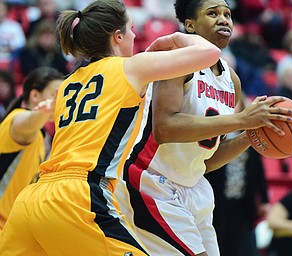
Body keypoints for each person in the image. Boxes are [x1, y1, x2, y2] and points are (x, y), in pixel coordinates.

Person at [0, 0, 222, 255]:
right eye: (131, 29)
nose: (136, 35)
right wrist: (174, 37)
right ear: (118, 37)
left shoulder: (67, 84)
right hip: (80, 195)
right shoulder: (130, 68)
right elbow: (210, 53)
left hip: (31, 199)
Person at [115, 0, 292, 255]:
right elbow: (165, 128)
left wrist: (252, 134)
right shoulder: (174, 61)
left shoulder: (231, 79)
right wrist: (243, 120)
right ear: (190, 25)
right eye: (212, 13)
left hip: (195, 186)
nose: (224, 19)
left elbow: (209, 159)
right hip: (152, 181)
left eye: (227, 14)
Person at [204, 94, 270, 256]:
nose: (234, 108)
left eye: (237, 105)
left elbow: (258, 171)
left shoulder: (249, 134)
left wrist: (264, 199)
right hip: (216, 197)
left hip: (241, 198)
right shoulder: (216, 133)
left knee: (237, 243)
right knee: (217, 240)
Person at [0, 66, 63, 231]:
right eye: (55, 95)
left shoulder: (43, 136)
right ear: (35, 95)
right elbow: (28, 122)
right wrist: (44, 112)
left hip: (13, 228)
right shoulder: (16, 120)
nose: (60, 101)